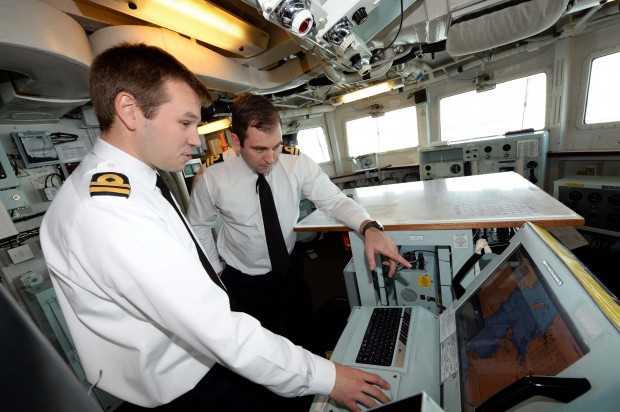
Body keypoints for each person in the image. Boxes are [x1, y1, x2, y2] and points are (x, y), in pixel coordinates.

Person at [39, 43, 391, 412]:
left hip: (214, 348)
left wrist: (368, 226)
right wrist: (330, 378)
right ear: (129, 110)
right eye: (185, 122)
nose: (196, 138)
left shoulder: (136, 186)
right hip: (190, 382)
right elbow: (215, 325)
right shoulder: (109, 209)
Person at [186, 93, 412, 354]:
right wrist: (216, 270)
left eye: (276, 146)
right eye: (260, 149)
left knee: (305, 335)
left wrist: (370, 227)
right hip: (243, 278)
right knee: (261, 347)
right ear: (236, 141)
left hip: (289, 268)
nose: (271, 158)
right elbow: (199, 225)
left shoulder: (296, 162)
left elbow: (335, 201)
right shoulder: (212, 176)